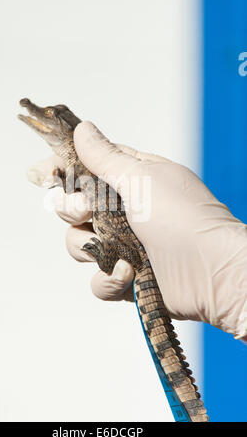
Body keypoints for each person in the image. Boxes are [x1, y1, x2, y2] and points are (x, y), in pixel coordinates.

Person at [27, 121, 247, 342]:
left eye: (50, 114)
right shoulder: (84, 169)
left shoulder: (99, 163)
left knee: (106, 255)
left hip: (133, 251)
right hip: (138, 253)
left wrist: (235, 289)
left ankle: (106, 256)